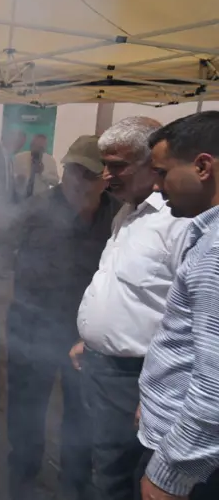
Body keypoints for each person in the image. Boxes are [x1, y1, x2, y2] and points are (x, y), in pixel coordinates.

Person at [68, 118, 189, 500]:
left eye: (117, 166)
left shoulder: (177, 222)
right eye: (105, 165)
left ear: (151, 164)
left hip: (135, 378)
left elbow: (187, 319)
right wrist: (91, 339)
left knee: (120, 478)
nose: (106, 175)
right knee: (99, 465)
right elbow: (126, 291)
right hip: (100, 368)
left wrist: (157, 390)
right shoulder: (126, 213)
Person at [6, 135, 121, 500]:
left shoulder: (117, 217)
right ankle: (21, 482)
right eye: (72, 169)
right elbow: (3, 248)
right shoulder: (36, 208)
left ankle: (73, 487)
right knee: (26, 409)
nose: (76, 179)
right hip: (31, 325)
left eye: (87, 174)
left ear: (105, 178)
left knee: (81, 416)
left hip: (83, 337)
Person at [136, 111, 219, 500]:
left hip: (190, 467)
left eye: (163, 172)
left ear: (203, 166)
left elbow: (215, 383)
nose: (156, 185)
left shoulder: (215, 250)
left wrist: (170, 474)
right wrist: (155, 404)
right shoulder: (206, 234)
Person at [14, 133, 59, 199]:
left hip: (40, 200)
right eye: (35, 146)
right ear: (31, 145)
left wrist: (43, 173)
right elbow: (9, 176)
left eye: (40, 148)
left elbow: (55, 182)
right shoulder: (19, 158)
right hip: (19, 198)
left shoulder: (50, 161)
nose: (37, 150)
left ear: (45, 148)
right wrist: (17, 178)